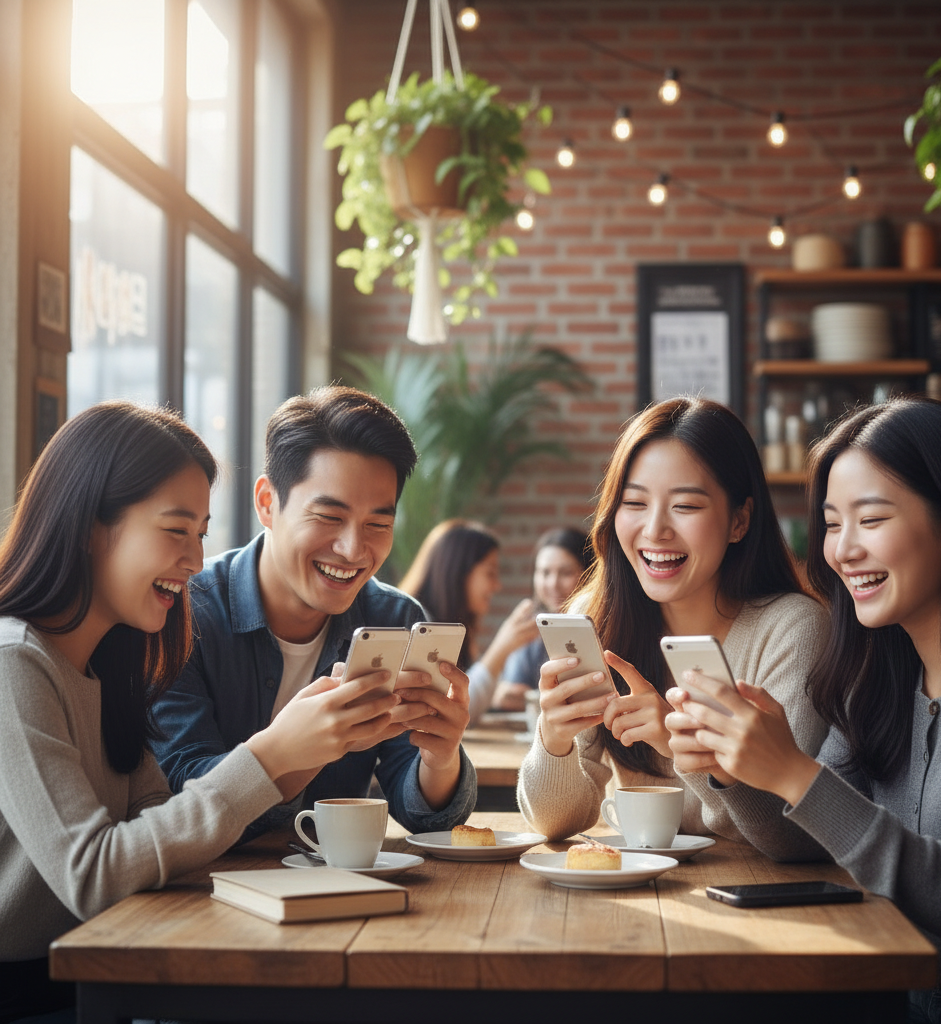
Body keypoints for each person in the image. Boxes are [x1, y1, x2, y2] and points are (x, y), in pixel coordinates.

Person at [0, 402, 407, 1024]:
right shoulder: (14, 664)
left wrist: (291, 764)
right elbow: (93, 873)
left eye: (201, 533)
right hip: (34, 991)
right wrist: (270, 755)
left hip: (114, 970)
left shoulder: (115, 660)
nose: (194, 560)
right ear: (89, 526)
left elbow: (155, 822)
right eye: (174, 530)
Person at [665, 397, 941, 1022]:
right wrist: (738, 769)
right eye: (832, 523)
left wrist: (793, 772)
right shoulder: (878, 677)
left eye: (872, 519)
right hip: (884, 993)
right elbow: (800, 847)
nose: (842, 550)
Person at [152, 386, 476, 843]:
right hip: (200, 896)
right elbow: (181, 789)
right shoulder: (183, 612)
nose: (352, 550)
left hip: (347, 894)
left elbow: (427, 818)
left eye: (378, 524)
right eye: (328, 516)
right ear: (267, 502)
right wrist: (308, 748)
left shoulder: (396, 618)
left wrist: (440, 757)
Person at [517, 396, 828, 843]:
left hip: (760, 900)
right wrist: (554, 741)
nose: (655, 529)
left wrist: (679, 745)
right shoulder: (596, 617)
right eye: (634, 503)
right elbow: (555, 823)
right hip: (637, 896)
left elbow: (788, 835)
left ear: (739, 521)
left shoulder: (791, 630)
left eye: (685, 506)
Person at [399, 519, 539, 725]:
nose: (497, 585)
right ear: (458, 573)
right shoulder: (419, 625)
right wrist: (501, 648)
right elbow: (450, 712)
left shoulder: (458, 630)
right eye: (490, 573)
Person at [491, 526, 592, 711]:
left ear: (588, 574)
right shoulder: (531, 630)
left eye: (565, 573)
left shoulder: (604, 627)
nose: (553, 584)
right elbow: (507, 694)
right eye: (545, 573)